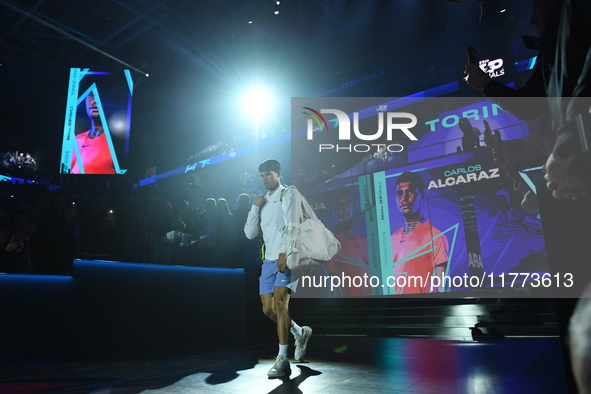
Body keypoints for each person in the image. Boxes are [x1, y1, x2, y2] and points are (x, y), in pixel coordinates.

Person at [244, 158, 312, 378]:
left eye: (268, 174)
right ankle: (299, 332)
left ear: (278, 173)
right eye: (262, 175)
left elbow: (294, 224)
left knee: (281, 305)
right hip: (268, 262)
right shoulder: (263, 202)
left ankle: (283, 360)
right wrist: (255, 207)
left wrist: (285, 251)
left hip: (287, 256)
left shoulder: (288, 193)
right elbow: (249, 234)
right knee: (268, 310)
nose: (265, 178)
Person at [390, 172, 449, 294]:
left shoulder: (436, 237)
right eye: (399, 193)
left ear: (421, 195)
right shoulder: (392, 239)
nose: (404, 198)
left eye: (410, 192)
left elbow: (440, 289)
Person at [324, 186, 371, 297]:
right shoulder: (330, 245)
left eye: (348, 204)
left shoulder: (364, 242)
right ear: (331, 211)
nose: (345, 209)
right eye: (340, 205)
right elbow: (333, 289)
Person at [70, 93, 116, 174]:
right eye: (91, 95)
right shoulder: (76, 140)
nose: (94, 101)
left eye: (99, 95)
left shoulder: (116, 141)